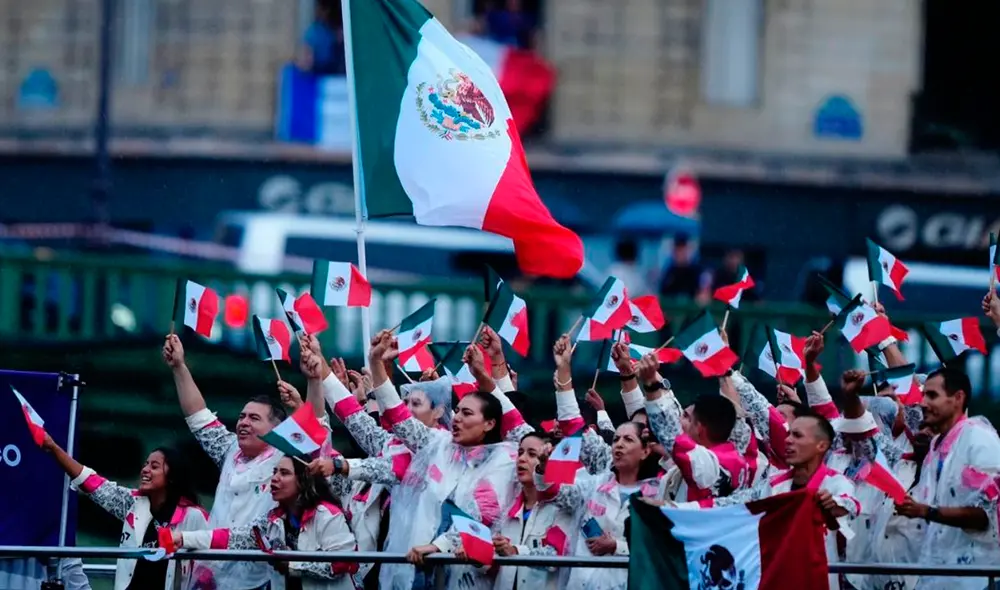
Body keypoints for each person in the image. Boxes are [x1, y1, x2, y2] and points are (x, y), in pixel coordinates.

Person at [335, 330, 526, 590]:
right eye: (457, 411)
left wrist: (438, 547)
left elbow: (476, 515)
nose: (456, 418)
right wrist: (376, 364)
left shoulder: (506, 458)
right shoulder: (438, 443)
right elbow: (397, 418)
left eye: (466, 413)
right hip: (412, 574)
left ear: (490, 423)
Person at [673, 409, 860, 590]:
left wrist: (833, 504)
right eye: (788, 435)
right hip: (776, 578)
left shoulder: (836, 483)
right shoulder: (772, 484)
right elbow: (728, 504)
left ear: (821, 445)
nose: (787, 441)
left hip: (819, 581)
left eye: (797, 436)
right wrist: (673, 508)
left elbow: (851, 506)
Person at [162, 334, 287, 590]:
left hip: (258, 580)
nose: (243, 422)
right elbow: (198, 416)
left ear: (278, 429)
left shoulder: (285, 460)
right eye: (242, 416)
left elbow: (316, 434)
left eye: (254, 418)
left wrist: (315, 382)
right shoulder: (230, 450)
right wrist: (179, 367)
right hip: (211, 575)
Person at [40, 433, 208, 590]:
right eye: (145, 464)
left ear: (172, 477)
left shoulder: (194, 516)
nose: (145, 470)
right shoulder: (133, 504)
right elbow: (92, 483)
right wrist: (53, 447)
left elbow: (210, 568)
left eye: (154, 466)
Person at [172, 456, 359, 590]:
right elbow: (232, 537)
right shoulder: (272, 520)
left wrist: (293, 566)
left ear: (303, 480)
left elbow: (344, 564)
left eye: (284, 473)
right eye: (274, 472)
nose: (275, 478)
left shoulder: (327, 514)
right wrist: (182, 538)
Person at [894, 367, 1000, 590]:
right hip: (938, 576)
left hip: (977, 577)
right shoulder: (936, 444)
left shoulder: (979, 440)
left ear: (958, 398)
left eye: (932, 395)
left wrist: (926, 511)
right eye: (923, 395)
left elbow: (987, 515)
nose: (923, 403)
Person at [492, 432, 577, 590]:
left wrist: (515, 551)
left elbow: (554, 556)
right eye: (520, 452)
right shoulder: (506, 505)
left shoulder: (562, 507)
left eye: (531, 454)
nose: (522, 459)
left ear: (547, 463)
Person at [658, 233, 711, 302]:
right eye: (677, 249)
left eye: (683, 249)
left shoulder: (697, 271)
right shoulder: (670, 272)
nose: (680, 253)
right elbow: (663, 294)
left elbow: (704, 294)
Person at [297, 0, 346, 75]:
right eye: (306, 63)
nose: (308, 59)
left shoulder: (312, 34)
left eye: (306, 57)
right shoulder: (320, 64)